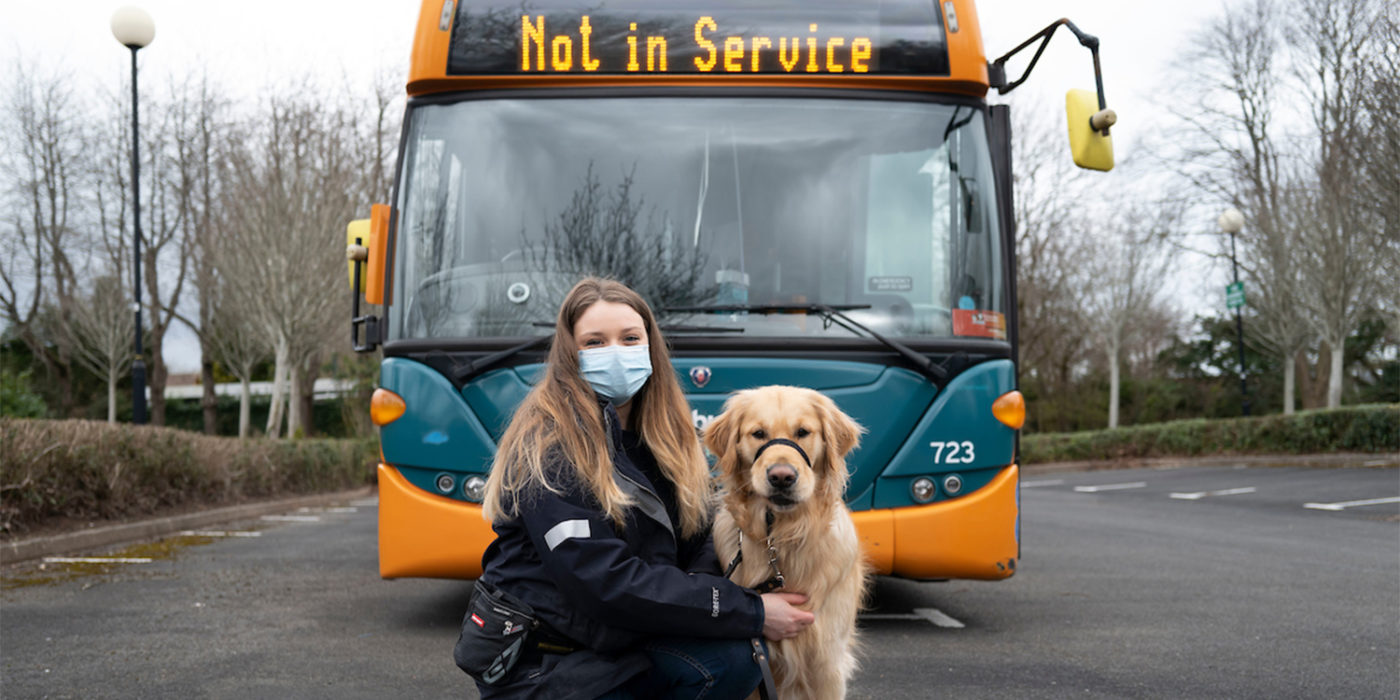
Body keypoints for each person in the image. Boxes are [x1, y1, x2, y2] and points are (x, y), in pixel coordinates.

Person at [463, 277, 814, 700]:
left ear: (651, 348)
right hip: (547, 662)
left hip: (620, 641)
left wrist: (705, 598)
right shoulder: (549, 448)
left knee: (734, 661)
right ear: (570, 354)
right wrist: (751, 612)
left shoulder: (666, 437)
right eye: (595, 343)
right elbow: (604, 584)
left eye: (630, 338)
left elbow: (699, 539)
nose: (616, 353)